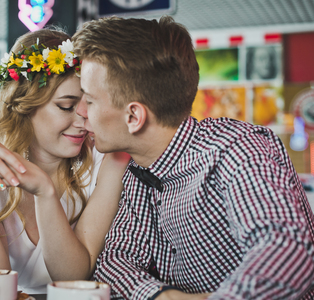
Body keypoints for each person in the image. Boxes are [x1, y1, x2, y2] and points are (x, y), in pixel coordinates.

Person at [72, 15, 314, 299]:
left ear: (134, 116)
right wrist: (163, 296)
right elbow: (114, 261)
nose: (81, 112)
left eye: (89, 100)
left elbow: (286, 251)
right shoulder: (138, 170)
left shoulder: (237, 149)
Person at [0, 28, 128, 294]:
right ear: (25, 105)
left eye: (89, 103)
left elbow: (72, 276)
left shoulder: (109, 160)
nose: (84, 119)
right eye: (67, 106)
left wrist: (45, 192)